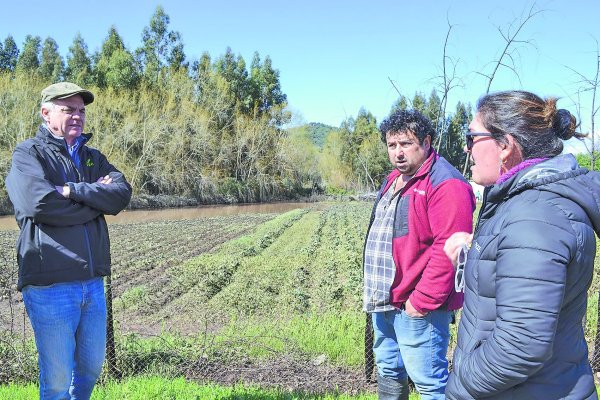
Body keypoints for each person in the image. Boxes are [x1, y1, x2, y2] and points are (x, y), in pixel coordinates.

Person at [444, 90, 600, 399]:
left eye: (472, 137)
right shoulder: (531, 206)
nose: (466, 148)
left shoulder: (535, 215)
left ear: (505, 147)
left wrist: (459, 388)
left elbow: (519, 345)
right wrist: (478, 250)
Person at [5, 82, 132, 399]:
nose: (77, 115)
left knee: (89, 371)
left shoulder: (93, 158)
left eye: (81, 110)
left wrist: (72, 190)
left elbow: (120, 195)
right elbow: (39, 204)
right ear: (46, 113)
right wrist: (94, 204)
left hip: (92, 284)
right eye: (68, 109)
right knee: (58, 380)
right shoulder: (27, 155)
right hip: (51, 286)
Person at [363, 109, 475, 400]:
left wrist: (420, 302)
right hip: (385, 301)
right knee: (388, 370)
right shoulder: (394, 179)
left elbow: (449, 249)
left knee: (429, 383)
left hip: (417, 307)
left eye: (406, 144)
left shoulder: (446, 183)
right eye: (392, 145)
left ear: (426, 142)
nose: (398, 153)